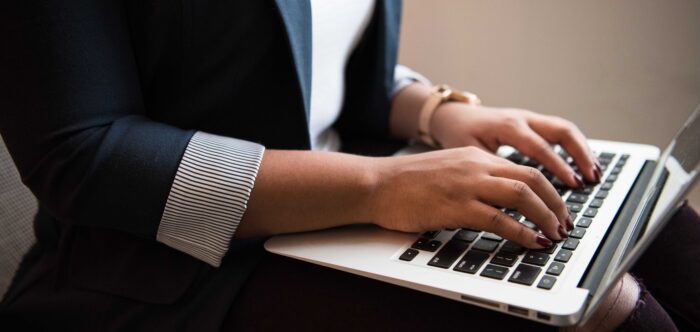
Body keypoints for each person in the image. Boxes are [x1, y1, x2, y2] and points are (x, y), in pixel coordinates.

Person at [0, 1, 697, 331]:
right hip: (160, 271)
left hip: (350, 210)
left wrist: (439, 113)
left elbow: (304, 64)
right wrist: (381, 186)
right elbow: (80, 153)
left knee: (660, 231)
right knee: (609, 313)